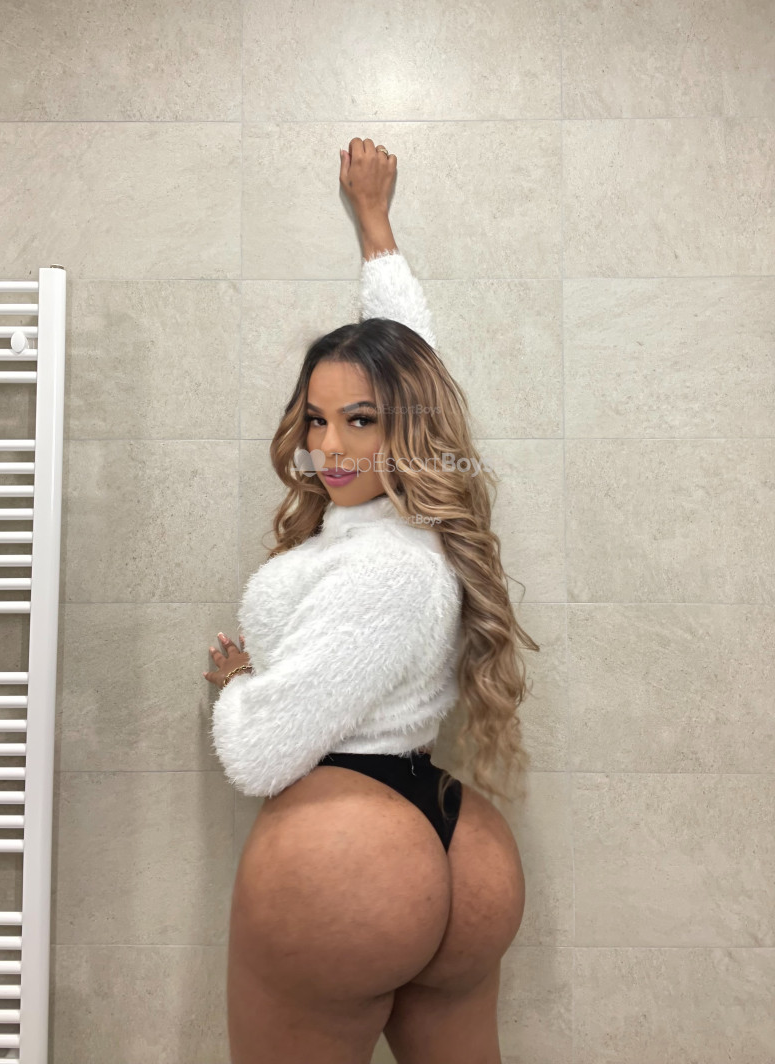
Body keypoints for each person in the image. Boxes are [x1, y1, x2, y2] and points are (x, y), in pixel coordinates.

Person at [203, 138, 538, 1064]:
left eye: (360, 422)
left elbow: (260, 755)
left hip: (346, 851)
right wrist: (378, 232)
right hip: (460, 843)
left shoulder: (381, 567)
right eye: (317, 419)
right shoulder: (418, 523)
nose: (330, 447)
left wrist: (235, 688)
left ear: (408, 428)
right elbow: (402, 358)